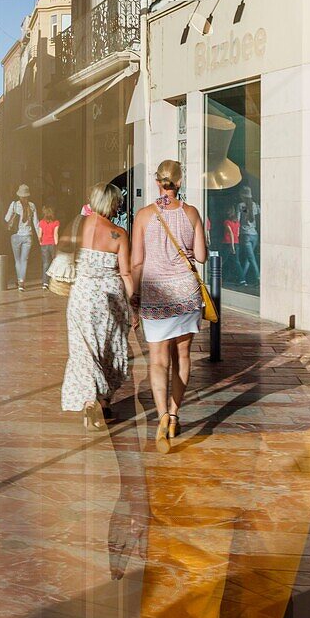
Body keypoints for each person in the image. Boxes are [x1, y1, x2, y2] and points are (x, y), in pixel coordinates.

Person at [130, 159, 207, 453]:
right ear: (180, 181)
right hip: (186, 294)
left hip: (155, 294)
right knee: (183, 356)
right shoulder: (191, 214)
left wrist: (134, 296)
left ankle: (161, 414)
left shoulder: (144, 215)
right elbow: (200, 256)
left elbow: (137, 261)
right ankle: (175, 414)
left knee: (158, 359)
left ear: (156, 181)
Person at [61, 182, 133, 430]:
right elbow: (126, 273)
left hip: (82, 296)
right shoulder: (119, 234)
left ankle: (90, 401)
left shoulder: (77, 225)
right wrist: (132, 304)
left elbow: (62, 251)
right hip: (109, 298)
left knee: (83, 349)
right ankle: (103, 402)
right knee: (109, 348)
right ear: (111, 204)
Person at [4, 184, 40, 291]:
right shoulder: (32, 206)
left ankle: (20, 280)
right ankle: (21, 282)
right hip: (28, 236)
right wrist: (39, 237)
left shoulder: (14, 205)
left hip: (16, 236)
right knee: (24, 260)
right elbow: (36, 223)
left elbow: (6, 218)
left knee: (17, 260)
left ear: (19, 195)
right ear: (28, 195)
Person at [238, 184, 260, 286]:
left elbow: (238, 221)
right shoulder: (254, 205)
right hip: (254, 235)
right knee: (249, 258)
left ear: (243, 196)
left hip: (245, 234)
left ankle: (258, 278)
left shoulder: (241, 206)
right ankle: (242, 279)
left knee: (251, 258)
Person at [38, 205, 60, 290]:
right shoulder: (56, 222)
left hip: (44, 244)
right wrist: (56, 245)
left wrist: (40, 242)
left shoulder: (41, 222)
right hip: (52, 244)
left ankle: (45, 283)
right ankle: (53, 282)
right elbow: (55, 234)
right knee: (54, 262)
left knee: (45, 263)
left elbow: (40, 235)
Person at [223, 204, 245, 285]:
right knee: (235, 261)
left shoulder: (227, 222)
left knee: (223, 260)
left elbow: (231, 234)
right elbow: (237, 233)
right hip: (236, 242)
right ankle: (242, 279)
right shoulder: (237, 222)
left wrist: (232, 246)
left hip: (228, 243)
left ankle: (220, 277)